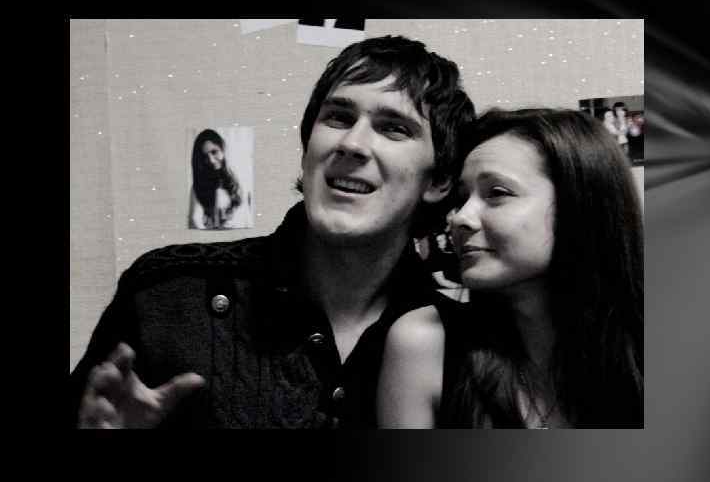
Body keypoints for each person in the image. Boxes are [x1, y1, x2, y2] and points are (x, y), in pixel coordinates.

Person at [70, 35, 476, 428]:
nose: (352, 143)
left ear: (439, 179)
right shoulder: (167, 295)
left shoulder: (465, 346)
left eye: (393, 128)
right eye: (338, 117)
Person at [378, 108, 643, 428]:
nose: (459, 218)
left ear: (580, 204)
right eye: (462, 198)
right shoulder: (426, 343)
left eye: (497, 193)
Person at [188, 128, 248, 229]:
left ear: (223, 149)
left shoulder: (238, 179)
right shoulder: (197, 186)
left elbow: (245, 217)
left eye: (214, 152)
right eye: (205, 157)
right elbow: (193, 220)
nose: (211, 160)